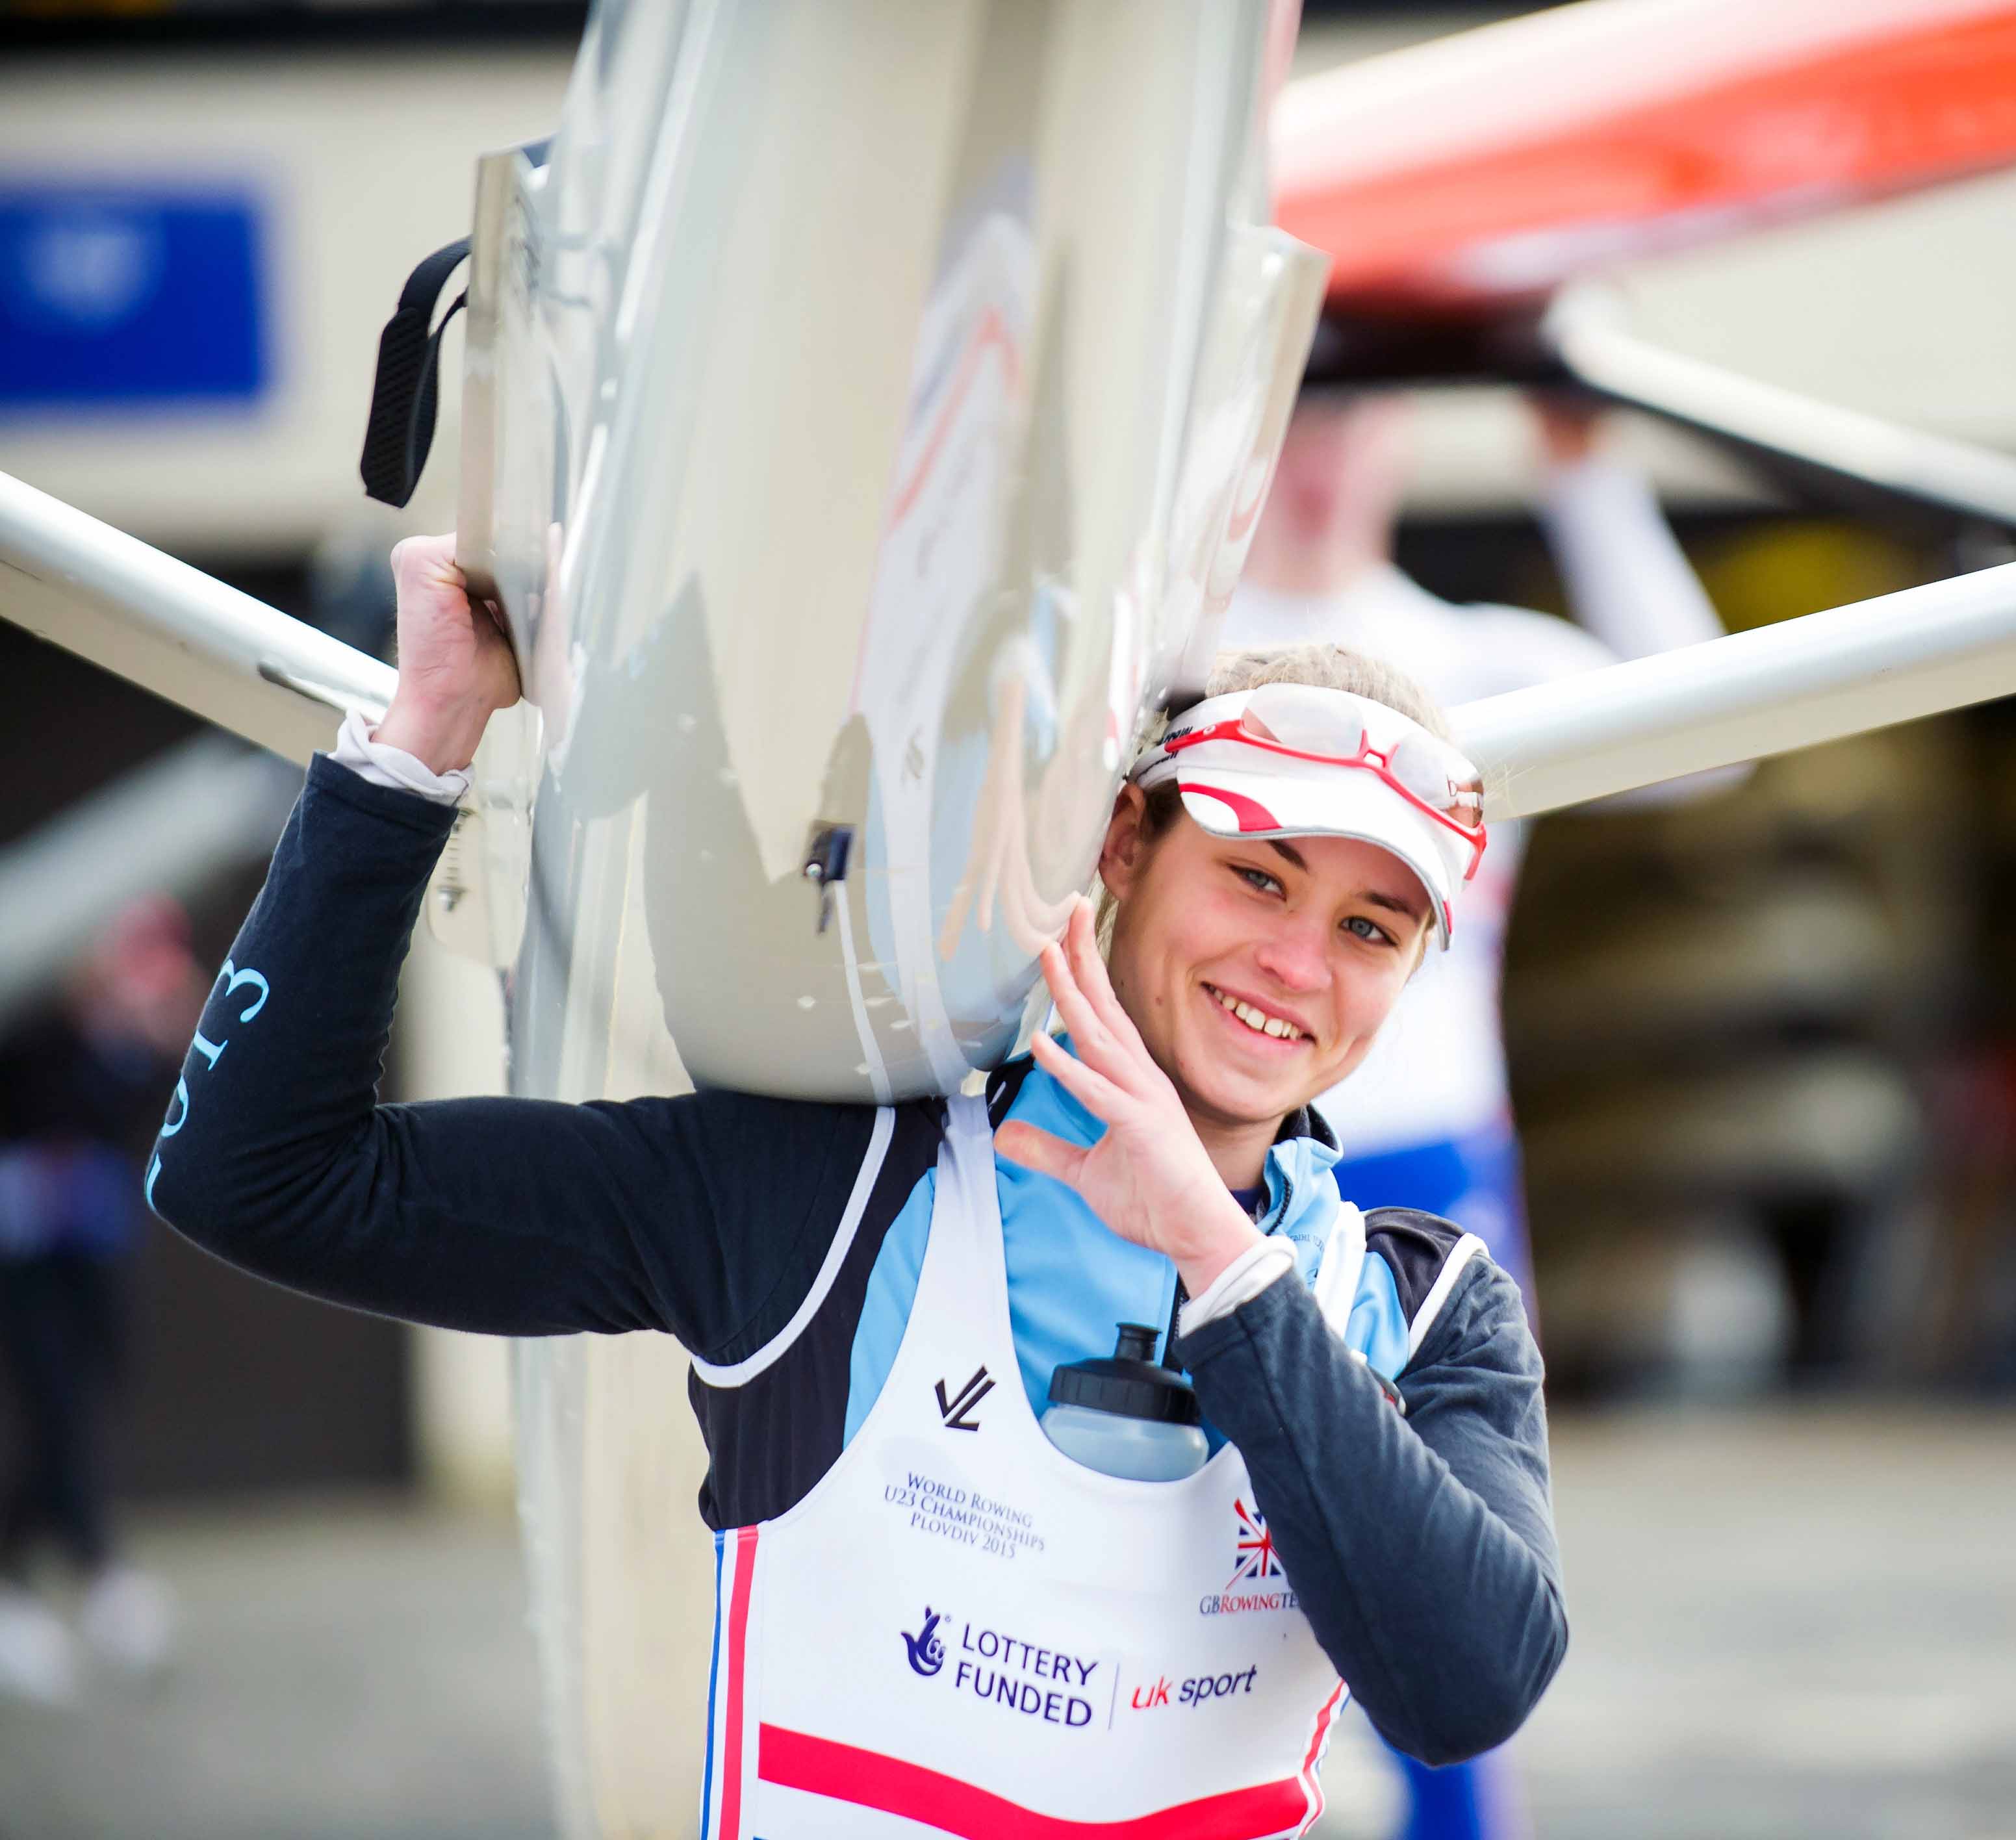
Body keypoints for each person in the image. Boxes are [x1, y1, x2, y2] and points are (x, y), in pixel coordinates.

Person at [148, 536, 1565, 1837]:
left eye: (1370, 927)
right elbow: (258, 1178)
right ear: (1126, 840)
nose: (1300, 965)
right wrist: (424, 740)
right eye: (1258, 878)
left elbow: (1463, 1695)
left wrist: (1217, 1252)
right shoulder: (838, 1194)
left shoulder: (1422, 1305)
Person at [1227, 395, 1729, 1840]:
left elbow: (1713, 743)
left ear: (1397, 442)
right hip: (1211, 1168)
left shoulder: (1473, 654)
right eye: (1293, 418)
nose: (1322, 458)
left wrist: (1588, 475)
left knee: (1447, 1584)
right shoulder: (1181, 661)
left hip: (1429, 1173)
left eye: (1352, 419)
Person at [0, 899, 196, 1704]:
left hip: (95, 1249)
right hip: (25, 1257)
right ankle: (90, 1571)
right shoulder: (37, 1030)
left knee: (94, 1396)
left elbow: (135, 1113)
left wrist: (159, 1031)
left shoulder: (125, 1049)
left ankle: (67, 1569)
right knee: (55, 1409)